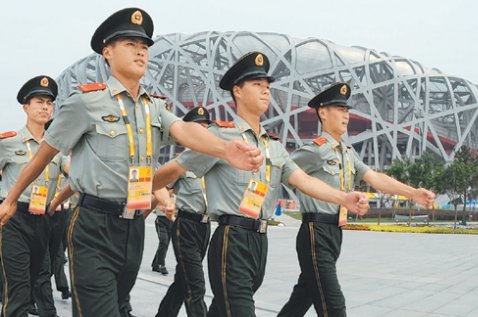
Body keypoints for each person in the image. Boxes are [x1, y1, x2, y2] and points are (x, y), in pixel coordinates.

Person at [0, 8, 263, 317]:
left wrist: (223, 149)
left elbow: (183, 129)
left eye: (145, 45)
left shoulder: (154, 108)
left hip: (133, 227)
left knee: (120, 306)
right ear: (107, 52)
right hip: (92, 226)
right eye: (130, 43)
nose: (141, 50)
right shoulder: (85, 102)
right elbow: (45, 154)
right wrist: (12, 198)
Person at [153, 51, 369, 317]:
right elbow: (173, 170)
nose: (266, 91)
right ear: (238, 91)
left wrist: (343, 198)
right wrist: (143, 192)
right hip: (232, 240)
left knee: (222, 311)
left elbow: (303, 180)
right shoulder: (221, 135)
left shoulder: (274, 146)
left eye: (268, 86)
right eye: (257, 85)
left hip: (260, 242)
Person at [277, 82, 436, 317]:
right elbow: (282, 168)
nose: (346, 115)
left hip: (334, 233)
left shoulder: (347, 153)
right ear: (322, 112)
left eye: (347, 110)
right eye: (339, 109)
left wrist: (412, 193)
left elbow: (375, 177)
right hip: (315, 232)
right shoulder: (315, 151)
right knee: (334, 304)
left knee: (302, 299)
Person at [0, 75, 68, 317]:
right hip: (13, 219)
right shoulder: (9, 143)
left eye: (49, 103)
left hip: (43, 221)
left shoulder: (57, 148)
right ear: (25, 107)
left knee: (31, 288)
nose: (45, 107)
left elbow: (75, 173)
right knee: (17, 291)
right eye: (39, 102)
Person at [155, 106, 213, 317]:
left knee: (183, 281)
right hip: (185, 226)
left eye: (207, 127)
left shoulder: (212, 161)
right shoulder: (181, 163)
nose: (204, 132)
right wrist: (162, 204)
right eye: (199, 127)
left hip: (204, 227)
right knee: (195, 285)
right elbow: (160, 186)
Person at [151, 187, 175, 275]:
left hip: (171, 221)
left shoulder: (179, 188)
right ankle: (161, 264)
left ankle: (155, 263)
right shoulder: (161, 189)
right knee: (164, 241)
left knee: (165, 244)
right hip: (161, 220)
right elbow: (155, 199)